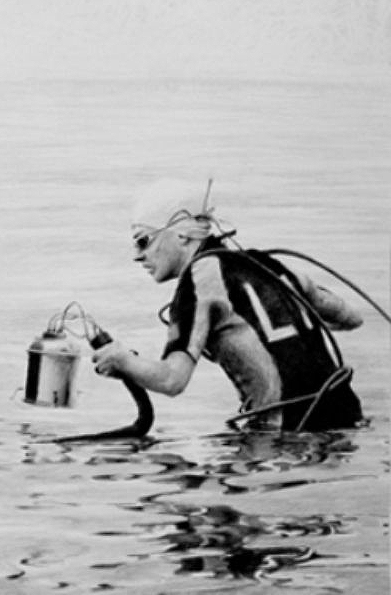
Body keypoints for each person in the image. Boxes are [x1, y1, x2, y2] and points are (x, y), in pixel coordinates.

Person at [91, 179, 365, 431]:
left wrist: (123, 361)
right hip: (348, 419)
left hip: (290, 434)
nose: (137, 256)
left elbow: (172, 380)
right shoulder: (271, 265)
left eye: (143, 241)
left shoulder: (198, 281)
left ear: (182, 235)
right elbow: (351, 318)